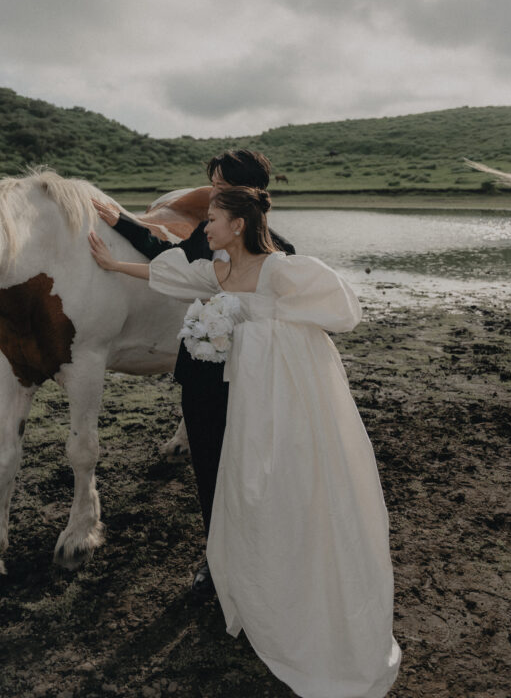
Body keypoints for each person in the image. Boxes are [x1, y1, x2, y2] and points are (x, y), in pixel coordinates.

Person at [89, 187, 400, 698]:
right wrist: (112, 263)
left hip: (290, 391)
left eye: (211, 219)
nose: (204, 227)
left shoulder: (281, 269)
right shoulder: (215, 271)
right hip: (251, 398)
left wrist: (277, 331)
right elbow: (164, 273)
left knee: (293, 475)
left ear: (237, 224)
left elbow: (343, 308)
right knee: (249, 480)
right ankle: (261, 582)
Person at [91, 150, 294, 600]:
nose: (211, 193)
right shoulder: (207, 239)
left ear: (243, 193)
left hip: (252, 380)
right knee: (207, 470)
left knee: (250, 467)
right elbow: (165, 259)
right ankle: (217, 557)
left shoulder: (285, 257)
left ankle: (263, 551)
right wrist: (119, 233)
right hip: (201, 378)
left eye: (220, 186)